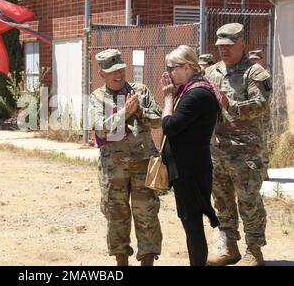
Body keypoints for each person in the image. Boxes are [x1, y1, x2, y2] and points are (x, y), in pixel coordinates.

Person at [205, 23, 272, 266]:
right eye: (220, 46)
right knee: (221, 201)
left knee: (249, 201)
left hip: (245, 151)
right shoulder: (212, 72)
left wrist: (230, 105)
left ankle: (254, 251)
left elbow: (260, 104)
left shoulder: (255, 73)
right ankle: (229, 247)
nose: (224, 50)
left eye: (229, 45)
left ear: (242, 43)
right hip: (218, 149)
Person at [89, 49, 162, 266]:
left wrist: (138, 110)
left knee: (147, 216)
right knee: (116, 217)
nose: (118, 75)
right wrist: (125, 113)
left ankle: (147, 261)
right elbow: (100, 129)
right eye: (112, 71)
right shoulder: (97, 98)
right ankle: (121, 263)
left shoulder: (140, 91)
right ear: (101, 73)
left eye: (120, 69)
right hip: (114, 169)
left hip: (143, 166)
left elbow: (158, 120)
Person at [160, 45, 223, 266]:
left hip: (191, 170)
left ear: (187, 67)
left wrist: (168, 98)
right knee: (189, 221)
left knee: (193, 224)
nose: (168, 73)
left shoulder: (197, 94)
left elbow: (169, 126)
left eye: (172, 68)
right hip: (187, 168)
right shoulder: (191, 90)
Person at [249, 49, 271, 180]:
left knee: (262, 142)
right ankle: (255, 170)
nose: (254, 62)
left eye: (256, 59)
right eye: (252, 60)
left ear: (261, 60)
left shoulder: (264, 76)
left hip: (262, 115)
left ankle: (264, 171)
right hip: (251, 115)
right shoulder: (248, 74)